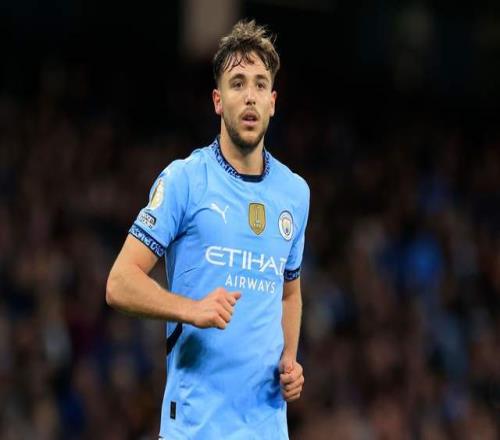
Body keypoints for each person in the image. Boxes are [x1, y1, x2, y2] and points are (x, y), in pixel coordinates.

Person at [106, 19, 310, 440]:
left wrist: (289, 359)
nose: (249, 96)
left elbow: (289, 292)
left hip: (266, 428)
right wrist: (190, 308)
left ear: (272, 102)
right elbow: (119, 283)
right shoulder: (185, 180)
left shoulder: (295, 193)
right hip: (196, 426)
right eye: (237, 84)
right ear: (218, 100)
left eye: (259, 84)